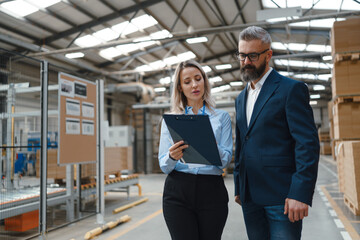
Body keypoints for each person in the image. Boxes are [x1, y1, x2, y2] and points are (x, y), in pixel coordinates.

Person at [233, 26, 320, 240]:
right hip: (250, 196)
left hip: (282, 197)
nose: (246, 62)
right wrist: (238, 184)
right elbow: (242, 143)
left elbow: (307, 143)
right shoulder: (241, 98)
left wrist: (300, 193)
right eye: (242, 55)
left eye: (252, 55)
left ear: (268, 55)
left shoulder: (290, 90)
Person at [158, 59, 233, 240]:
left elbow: (225, 161)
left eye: (198, 79)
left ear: (205, 81)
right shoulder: (171, 120)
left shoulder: (221, 117)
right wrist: (172, 156)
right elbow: (164, 165)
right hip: (178, 190)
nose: (194, 85)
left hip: (211, 191)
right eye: (187, 81)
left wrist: (212, 148)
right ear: (180, 88)